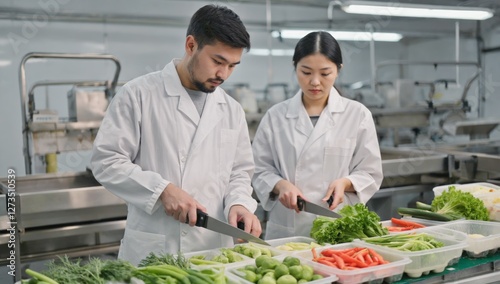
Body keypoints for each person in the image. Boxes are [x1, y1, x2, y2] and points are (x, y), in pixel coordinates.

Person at [90, 4, 262, 265]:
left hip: (213, 247)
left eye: (232, 66)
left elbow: (238, 172)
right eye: (217, 61)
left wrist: (239, 203)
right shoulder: (138, 95)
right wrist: (162, 191)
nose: (223, 74)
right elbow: (106, 161)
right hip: (157, 246)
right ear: (191, 45)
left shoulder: (231, 110)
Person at [252, 31, 383, 240]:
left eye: (325, 73)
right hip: (288, 229)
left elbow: (370, 173)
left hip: (337, 225)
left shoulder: (357, 115)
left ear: (338, 70)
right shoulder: (275, 117)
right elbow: (259, 170)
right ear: (295, 67)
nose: (315, 82)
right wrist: (280, 185)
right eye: (306, 72)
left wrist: (346, 183)